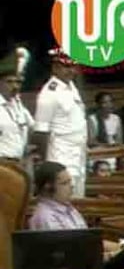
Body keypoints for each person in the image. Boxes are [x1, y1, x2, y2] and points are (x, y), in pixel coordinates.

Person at [33, 49, 88, 198]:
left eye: (73, 67)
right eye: (66, 67)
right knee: (61, 201)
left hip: (78, 155)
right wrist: (45, 166)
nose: (71, 71)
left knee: (78, 199)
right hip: (60, 157)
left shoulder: (71, 87)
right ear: (55, 68)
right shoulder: (49, 93)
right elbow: (41, 132)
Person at [28, 161, 87, 231]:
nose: (71, 186)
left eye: (70, 181)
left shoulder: (70, 209)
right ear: (47, 187)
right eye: (64, 183)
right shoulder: (45, 216)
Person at [0, 47, 32, 163]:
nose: (15, 86)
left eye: (18, 82)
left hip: (19, 161)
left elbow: (32, 126)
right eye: (9, 82)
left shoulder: (18, 106)